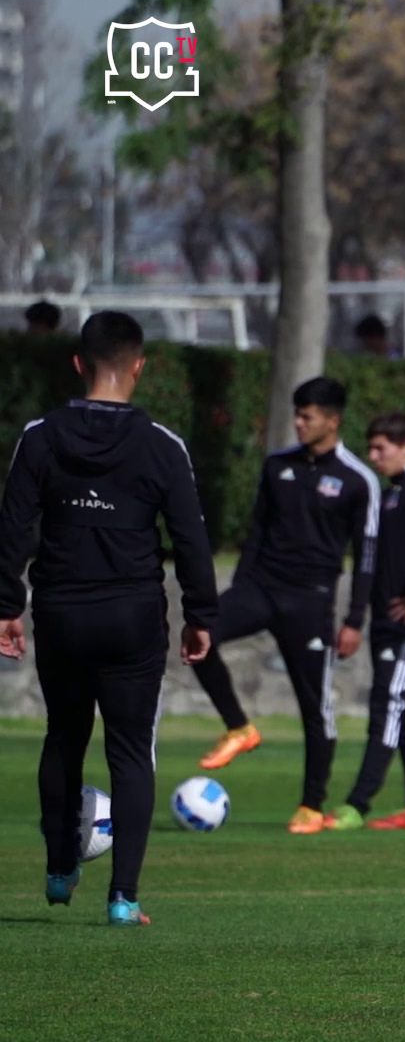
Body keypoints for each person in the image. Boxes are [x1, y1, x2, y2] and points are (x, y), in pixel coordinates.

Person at [0, 312, 219, 926]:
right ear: (139, 367)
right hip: (132, 617)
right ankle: (123, 897)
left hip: (63, 613)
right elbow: (191, 540)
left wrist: (5, 607)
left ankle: (59, 868)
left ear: (77, 363)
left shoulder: (40, 436)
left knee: (64, 737)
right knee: (130, 751)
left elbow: (13, 527)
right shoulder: (162, 445)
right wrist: (201, 614)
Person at [190, 377, 381, 834]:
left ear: (331, 421)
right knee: (198, 636)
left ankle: (312, 805)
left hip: (310, 603)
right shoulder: (277, 466)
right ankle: (239, 727)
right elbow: (257, 531)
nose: (298, 422)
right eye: (297, 414)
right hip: (259, 590)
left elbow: (367, 558)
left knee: (316, 708)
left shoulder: (359, 480)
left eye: (307, 416)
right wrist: (239, 589)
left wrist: (355, 619)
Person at [327, 412, 405, 832]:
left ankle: (357, 805)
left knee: (390, 705)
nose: (374, 455)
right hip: (385, 624)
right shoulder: (391, 494)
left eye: (381, 448)